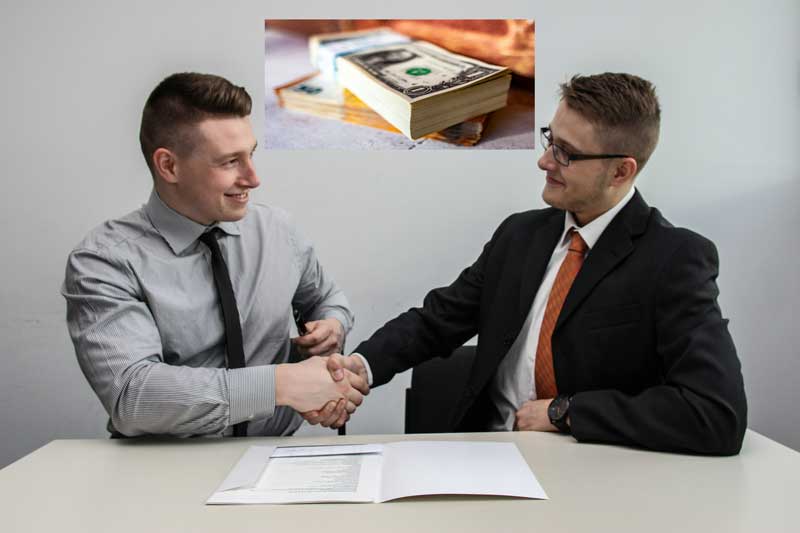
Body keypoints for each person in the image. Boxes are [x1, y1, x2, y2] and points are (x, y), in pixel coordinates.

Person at [328, 73, 747, 455]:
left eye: (566, 154)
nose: (545, 161)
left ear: (621, 171)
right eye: (551, 140)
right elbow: (437, 321)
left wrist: (564, 412)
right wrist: (360, 368)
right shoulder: (520, 236)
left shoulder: (674, 258)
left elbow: (716, 413)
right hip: (487, 457)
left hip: (594, 473)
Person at [62, 72, 366, 438]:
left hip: (275, 457)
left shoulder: (278, 230)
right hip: (161, 471)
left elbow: (327, 300)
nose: (253, 179)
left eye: (250, 155)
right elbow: (133, 397)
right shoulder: (103, 262)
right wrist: (279, 384)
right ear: (169, 166)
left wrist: (331, 327)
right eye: (229, 162)